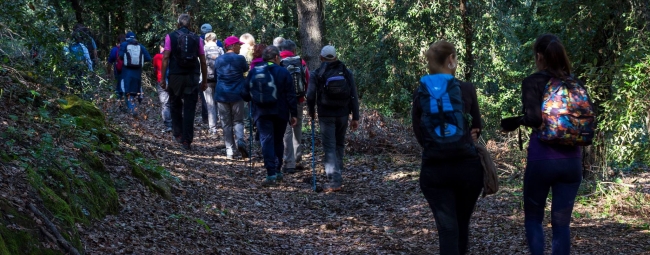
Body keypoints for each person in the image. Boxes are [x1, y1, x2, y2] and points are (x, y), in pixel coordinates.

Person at [411, 41, 483, 255]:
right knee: (461, 224)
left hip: (435, 170)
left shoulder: (420, 92)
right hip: (467, 170)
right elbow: (476, 127)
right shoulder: (466, 89)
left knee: (447, 229)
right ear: (451, 59)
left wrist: (438, 146)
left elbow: (419, 132)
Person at [519, 34, 583, 255]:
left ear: (539, 56)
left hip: (542, 160)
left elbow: (534, 119)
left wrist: (518, 121)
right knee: (561, 225)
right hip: (572, 162)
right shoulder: (574, 82)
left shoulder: (532, 82)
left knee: (534, 219)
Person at [242, 45, 298, 186]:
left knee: (266, 141)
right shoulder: (283, 72)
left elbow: (244, 93)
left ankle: (270, 173)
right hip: (280, 112)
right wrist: (294, 114)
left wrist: (253, 100)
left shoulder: (254, 71)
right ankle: (278, 171)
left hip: (261, 112)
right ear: (277, 57)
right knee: (278, 140)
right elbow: (291, 95)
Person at [306, 45, 360, 192]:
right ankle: (337, 173)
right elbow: (354, 95)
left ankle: (334, 181)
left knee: (329, 147)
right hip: (343, 114)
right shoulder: (346, 72)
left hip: (326, 114)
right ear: (336, 56)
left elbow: (310, 95)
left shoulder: (317, 73)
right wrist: (355, 116)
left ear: (321, 58)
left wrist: (311, 111)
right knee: (339, 144)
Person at [160, 14, 208, 150]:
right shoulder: (197, 38)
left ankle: (178, 133)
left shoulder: (170, 36)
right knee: (189, 108)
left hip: (175, 76)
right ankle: (187, 140)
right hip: (192, 75)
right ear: (190, 25)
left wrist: (163, 78)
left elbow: (165, 58)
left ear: (178, 24)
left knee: (175, 104)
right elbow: (203, 61)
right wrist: (204, 80)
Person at [214, 36, 249, 159]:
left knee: (226, 123)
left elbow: (215, 74)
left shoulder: (218, 60)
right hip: (237, 94)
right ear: (233, 46)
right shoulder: (240, 59)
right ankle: (240, 141)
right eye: (239, 45)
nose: (240, 47)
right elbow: (246, 69)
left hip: (222, 94)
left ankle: (230, 151)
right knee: (238, 121)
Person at [279, 39, 310, 173]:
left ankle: (289, 162)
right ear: (294, 50)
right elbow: (307, 80)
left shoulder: (278, 62)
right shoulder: (301, 62)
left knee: (286, 130)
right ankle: (298, 158)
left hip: (284, 101)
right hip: (299, 99)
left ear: (281, 50)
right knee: (297, 128)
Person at [118, 31, 152, 116]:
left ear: (126, 38)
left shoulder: (124, 45)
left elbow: (120, 56)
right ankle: (134, 107)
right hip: (137, 73)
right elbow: (148, 58)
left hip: (126, 73)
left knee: (127, 91)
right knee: (133, 91)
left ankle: (132, 109)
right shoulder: (140, 46)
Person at [204, 32, 225, 136]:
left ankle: (213, 128)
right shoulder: (220, 50)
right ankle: (223, 122)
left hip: (207, 80)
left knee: (210, 104)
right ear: (216, 40)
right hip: (219, 79)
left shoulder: (203, 49)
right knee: (220, 101)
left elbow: (201, 64)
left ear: (205, 40)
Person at [152, 40, 172, 132]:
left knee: (165, 104)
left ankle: (168, 124)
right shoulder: (173, 56)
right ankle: (176, 123)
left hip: (161, 81)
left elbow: (155, 69)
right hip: (173, 81)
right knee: (174, 102)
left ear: (160, 46)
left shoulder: (157, 56)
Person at [108, 34, 126, 100]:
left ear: (118, 41)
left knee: (119, 86)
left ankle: (119, 102)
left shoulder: (114, 49)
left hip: (118, 70)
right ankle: (129, 106)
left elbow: (109, 62)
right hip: (129, 71)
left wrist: (108, 73)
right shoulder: (129, 48)